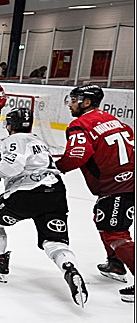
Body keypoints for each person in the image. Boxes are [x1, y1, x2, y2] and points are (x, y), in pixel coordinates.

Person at [0, 106, 88, 307]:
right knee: (54, 241)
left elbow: (14, 164)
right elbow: (26, 160)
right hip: (56, 192)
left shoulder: (14, 139)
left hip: (28, 194)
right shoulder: (39, 141)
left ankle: (0, 263)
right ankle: (69, 268)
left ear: (9, 125)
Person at [55, 84, 135, 303]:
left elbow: (77, 155)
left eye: (74, 100)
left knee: (116, 232)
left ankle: (121, 263)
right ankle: (116, 263)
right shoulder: (117, 121)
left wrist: (55, 168)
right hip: (128, 181)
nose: (70, 104)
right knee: (102, 218)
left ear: (86, 102)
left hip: (117, 186)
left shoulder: (80, 124)